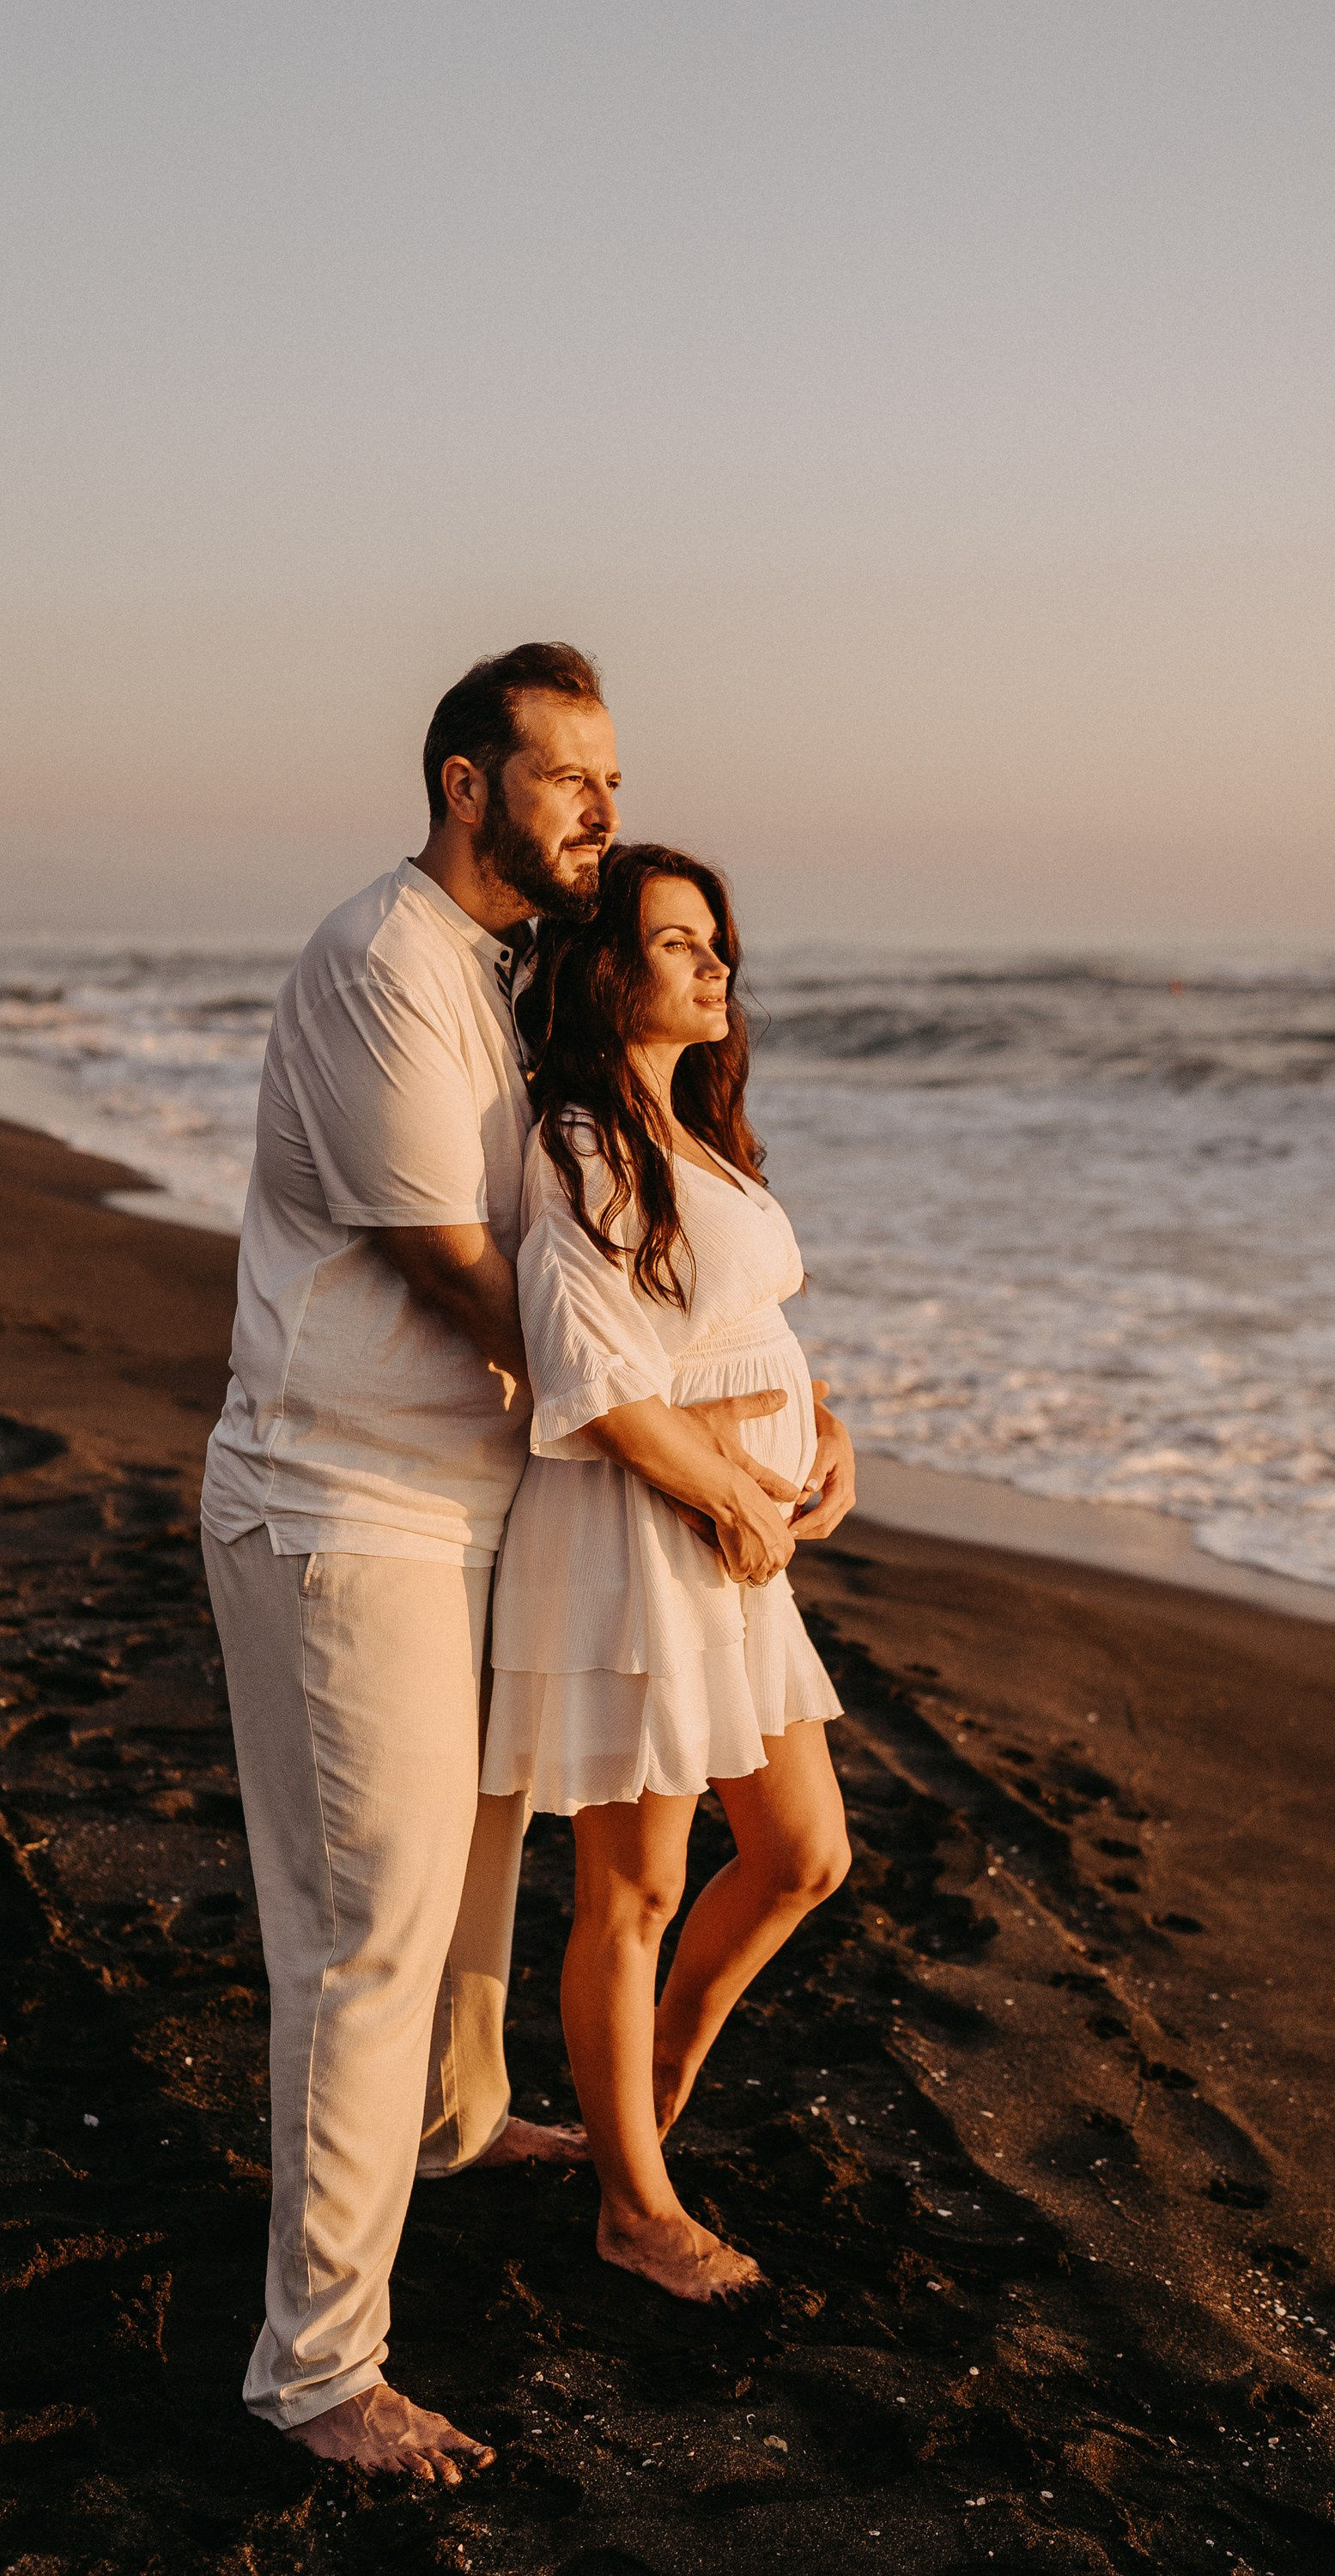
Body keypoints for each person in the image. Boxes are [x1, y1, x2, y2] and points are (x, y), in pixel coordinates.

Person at [200, 646, 857, 2478]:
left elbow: (633, 1252)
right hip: (347, 1502)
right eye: (568, 776)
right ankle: (319, 2368)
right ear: (467, 783)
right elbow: (471, 1270)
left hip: (487, 1502)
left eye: (615, 782)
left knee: (479, 1881)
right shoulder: (383, 964)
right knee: (371, 1929)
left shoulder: (509, 980)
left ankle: (467, 2125)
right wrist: (689, 1448)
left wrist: (781, 1423)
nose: (602, 809)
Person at [480, 843, 853, 2301]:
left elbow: (730, 1334)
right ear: (604, 970)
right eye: (678, 941)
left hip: (732, 1538)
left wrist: (828, 1432)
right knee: (632, 1891)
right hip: (644, 1541)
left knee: (801, 1855)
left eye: (717, 943)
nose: (714, 965)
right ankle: (634, 2203)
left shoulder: (691, 1132)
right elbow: (595, 1380)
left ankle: (645, 2099)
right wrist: (738, 1503)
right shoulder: (575, 1139)